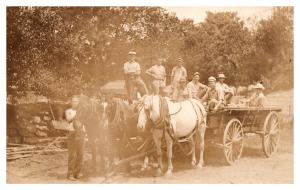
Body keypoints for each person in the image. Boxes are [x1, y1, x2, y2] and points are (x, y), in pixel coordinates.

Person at [65, 95, 86, 181]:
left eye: (77, 101)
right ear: (71, 102)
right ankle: (70, 174)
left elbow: (86, 121)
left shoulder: (83, 111)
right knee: (72, 154)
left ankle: (78, 173)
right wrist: (77, 114)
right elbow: (69, 119)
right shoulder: (68, 111)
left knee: (80, 154)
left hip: (81, 133)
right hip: (72, 133)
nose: (75, 103)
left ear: (79, 102)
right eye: (73, 101)